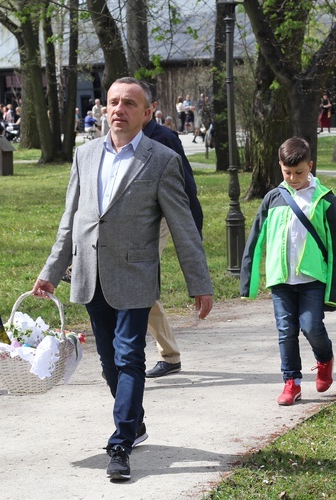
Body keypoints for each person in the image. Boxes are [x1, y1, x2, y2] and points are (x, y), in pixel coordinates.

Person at [31, 77, 213, 481]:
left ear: (147, 113)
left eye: (129, 103)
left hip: (135, 275)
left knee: (130, 356)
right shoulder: (85, 155)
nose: (119, 110)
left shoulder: (163, 160)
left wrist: (199, 282)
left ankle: (121, 442)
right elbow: (71, 221)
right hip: (91, 274)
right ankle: (136, 421)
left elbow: (183, 227)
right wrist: (50, 272)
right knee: (111, 363)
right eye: (113, 102)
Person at [240, 137, 336, 406]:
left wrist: (333, 293)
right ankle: (292, 383)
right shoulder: (273, 198)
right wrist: (248, 283)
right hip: (281, 280)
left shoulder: (325, 199)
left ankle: (324, 359)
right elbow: (255, 240)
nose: (294, 177)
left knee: (311, 327)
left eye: (299, 172)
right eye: (288, 172)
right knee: (286, 331)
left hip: (312, 280)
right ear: (280, 167)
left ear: (310, 165)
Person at [141, 93, 204, 378]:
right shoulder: (118, 140)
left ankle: (168, 355)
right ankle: (164, 354)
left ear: (150, 109)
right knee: (135, 283)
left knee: (139, 281)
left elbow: (186, 184)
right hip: (131, 223)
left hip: (160, 219)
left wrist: (193, 228)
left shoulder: (163, 138)